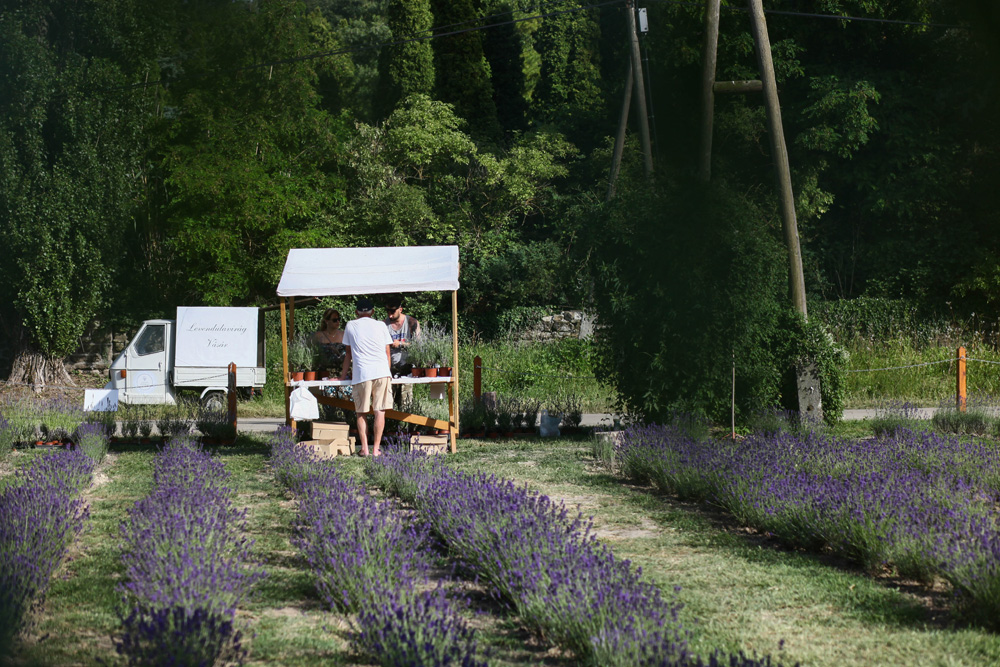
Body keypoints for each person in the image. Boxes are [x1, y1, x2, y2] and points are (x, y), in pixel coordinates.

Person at [339, 297, 393, 457]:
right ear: (373, 312)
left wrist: (341, 376)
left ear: (356, 312)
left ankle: (365, 448)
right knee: (380, 411)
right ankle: (376, 449)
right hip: (382, 372)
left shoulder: (351, 325)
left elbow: (348, 354)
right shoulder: (381, 325)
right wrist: (387, 373)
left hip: (362, 373)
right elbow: (387, 352)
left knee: (361, 412)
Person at [384, 295, 420, 409]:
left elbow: (419, 345)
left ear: (400, 309)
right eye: (388, 311)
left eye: (393, 311)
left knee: (406, 403)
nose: (390, 314)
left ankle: (406, 426)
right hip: (389, 369)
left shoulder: (411, 323)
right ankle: (392, 426)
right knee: (390, 403)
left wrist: (400, 343)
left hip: (407, 369)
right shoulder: (384, 325)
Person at [312, 308, 346, 375]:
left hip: (342, 373)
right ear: (326, 321)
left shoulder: (344, 334)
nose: (338, 322)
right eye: (334, 320)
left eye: (339, 319)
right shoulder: (318, 336)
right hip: (323, 373)